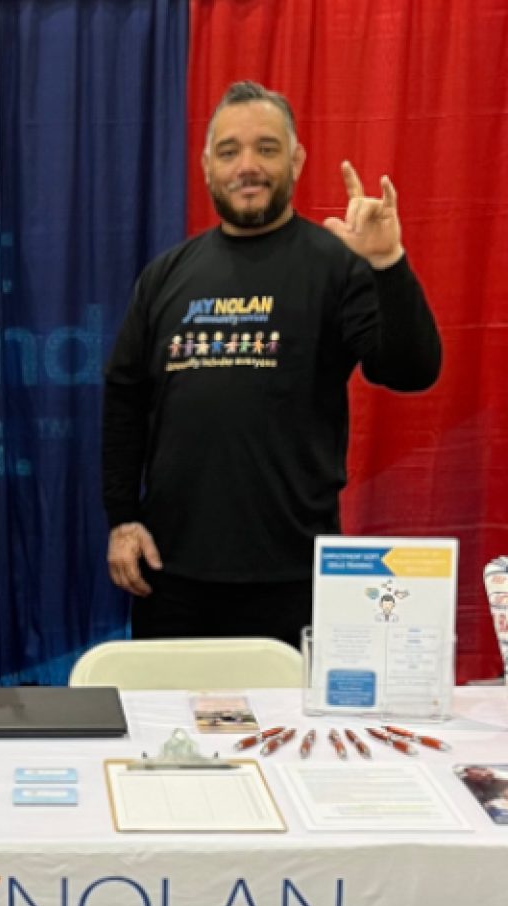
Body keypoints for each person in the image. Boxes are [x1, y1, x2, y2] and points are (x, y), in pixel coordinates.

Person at [102, 81, 441, 648]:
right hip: (171, 575)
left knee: (290, 738)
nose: (248, 167)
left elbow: (410, 371)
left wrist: (387, 263)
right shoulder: (166, 276)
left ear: (297, 160)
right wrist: (121, 517)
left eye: (267, 148)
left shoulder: (338, 265)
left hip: (295, 578)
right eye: (230, 152)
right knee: (167, 738)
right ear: (207, 164)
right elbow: (124, 399)